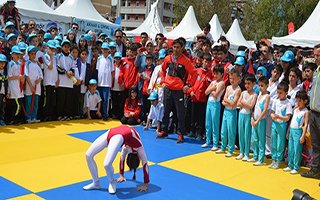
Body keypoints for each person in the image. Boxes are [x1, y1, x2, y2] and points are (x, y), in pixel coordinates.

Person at [83, 125, 149, 193]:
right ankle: (96, 183)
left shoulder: (125, 148)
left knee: (107, 164)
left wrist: (122, 175)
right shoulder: (139, 147)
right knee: (88, 155)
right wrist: (146, 185)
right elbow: (145, 164)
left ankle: (111, 182)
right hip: (112, 132)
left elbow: (122, 159)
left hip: (116, 134)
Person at [160, 38, 197, 143]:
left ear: (182, 48)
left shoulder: (186, 60)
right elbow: (162, 70)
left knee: (180, 113)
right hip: (168, 88)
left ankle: (180, 134)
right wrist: (163, 81)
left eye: (178, 47)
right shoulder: (167, 58)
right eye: (174, 47)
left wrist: (188, 85)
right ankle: (164, 130)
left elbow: (194, 73)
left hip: (179, 90)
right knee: (166, 110)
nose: (175, 49)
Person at [301, 44, 320, 179]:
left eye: (318, 55)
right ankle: (315, 169)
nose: (316, 57)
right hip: (313, 112)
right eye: (315, 55)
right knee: (315, 144)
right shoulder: (317, 70)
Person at [216, 69, 241, 156]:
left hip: (232, 112)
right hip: (226, 110)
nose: (232, 80)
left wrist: (227, 101)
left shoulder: (238, 90)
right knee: (224, 130)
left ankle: (230, 149)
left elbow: (234, 103)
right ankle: (223, 147)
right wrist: (228, 102)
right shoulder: (228, 87)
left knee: (231, 131)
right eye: (230, 78)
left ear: (238, 79)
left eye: (234, 78)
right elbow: (223, 100)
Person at [188, 53, 212, 140]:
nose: (206, 63)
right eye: (205, 61)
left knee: (201, 117)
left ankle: (200, 133)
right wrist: (190, 91)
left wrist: (206, 81)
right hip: (194, 96)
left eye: (208, 62)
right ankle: (192, 131)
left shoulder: (210, 74)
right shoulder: (197, 71)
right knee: (193, 115)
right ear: (202, 62)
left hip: (203, 99)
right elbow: (191, 83)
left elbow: (210, 85)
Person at [284, 91, 309, 174]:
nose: (297, 103)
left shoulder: (306, 111)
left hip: (298, 132)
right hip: (292, 130)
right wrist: (289, 132)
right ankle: (290, 165)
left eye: (300, 101)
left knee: (297, 149)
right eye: (297, 100)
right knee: (290, 148)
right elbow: (292, 121)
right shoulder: (295, 110)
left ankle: (296, 166)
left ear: (305, 101)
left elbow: (305, 125)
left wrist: (303, 135)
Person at [269, 81, 292, 169]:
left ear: (286, 93)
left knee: (280, 143)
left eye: (281, 93)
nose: (279, 95)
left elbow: (287, 117)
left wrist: (280, 117)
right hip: (275, 124)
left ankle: (278, 159)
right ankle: (273, 159)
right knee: (273, 142)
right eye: (278, 93)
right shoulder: (276, 101)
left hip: (282, 125)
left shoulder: (288, 103)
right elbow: (272, 112)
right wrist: (273, 116)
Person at [202, 65, 225, 150]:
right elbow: (206, 92)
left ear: (222, 74)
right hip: (209, 103)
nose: (215, 75)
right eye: (214, 73)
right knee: (208, 123)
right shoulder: (213, 82)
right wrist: (212, 88)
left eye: (217, 73)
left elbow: (216, 95)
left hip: (215, 104)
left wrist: (211, 90)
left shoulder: (222, 83)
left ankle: (215, 143)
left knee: (215, 123)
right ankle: (208, 141)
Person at [236, 74, 257, 161]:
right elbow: (237, 103)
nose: (247, 85)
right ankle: (241, 152)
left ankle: (247, 153)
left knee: (247, 134)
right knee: (241, 133)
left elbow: (251, 106)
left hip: (248, 115)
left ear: (253, 84)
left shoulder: (254, 94)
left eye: (249, 83)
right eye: (246, 84)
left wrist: (243, 103)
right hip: (241, 114)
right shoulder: (243, 92)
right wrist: (245, 104)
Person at [250, 76, 270, 166]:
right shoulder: (259, 95)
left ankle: (261, 159)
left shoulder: (267, 96)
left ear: (267, 86)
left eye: (262, 86)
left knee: (261, 140)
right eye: (259, 86)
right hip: (255, 120)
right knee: (255, 139)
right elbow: (255, 108)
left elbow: (265, 110)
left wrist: (257, 120)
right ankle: (255, 156)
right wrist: (252, 117)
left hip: (261, 121)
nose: (260, 88)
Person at [24, 46, 43, 123]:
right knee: (28, 102)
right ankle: (28, 117)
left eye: (34, 54)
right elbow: (26, 75)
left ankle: (34, 117)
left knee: (35, 102)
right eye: (32, 54)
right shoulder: (27, 63)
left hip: (37, 86)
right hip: (30, 85)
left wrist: (39, 80)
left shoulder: (36, 64)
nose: (33, 55)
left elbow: (41, 75)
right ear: (28, 55)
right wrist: (31, 86)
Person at [96, 42, 114, 120]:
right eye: (104, 49)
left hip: (107, 83)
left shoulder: (110, 59)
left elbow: (112, 71)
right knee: (100, 99)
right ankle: (99, 113)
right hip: (100, 82)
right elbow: (97, 70)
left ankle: (105, 114)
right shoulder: (99, 58)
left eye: (106, 49)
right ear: (102, 50)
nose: (105, 51)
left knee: (106, 100)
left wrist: (112, 81)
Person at [7, 45, 24, 125]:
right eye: (16, 53)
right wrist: (18, 77)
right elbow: (9, 77)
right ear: (12, 54)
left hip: (19, 86)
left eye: (19, 54)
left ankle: (15, 119)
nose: (18, 55)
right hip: (13, 87)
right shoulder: (11, 64)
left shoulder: (20, 63)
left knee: (19, 104)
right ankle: (12, 119)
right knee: (16, 104)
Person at [42, 40, 58, 121]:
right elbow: (50, 67)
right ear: (47, 48)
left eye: (53, 49)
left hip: (53, 82)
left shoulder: (55, 57)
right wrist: (51, 56)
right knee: (47, 100)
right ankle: (45, 115)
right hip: (47, 81)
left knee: (52, 100)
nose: (52, 50)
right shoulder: (45, 56)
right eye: (51, 48)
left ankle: (50, 115)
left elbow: (55, 69)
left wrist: (57, 80)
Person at [111, 52, 125, 119]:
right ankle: (114, 114)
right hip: (113, 87)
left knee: (120, 102)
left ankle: (119, 115)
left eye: (119, 58)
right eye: (116, 58)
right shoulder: (112, 66)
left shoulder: (123, 67)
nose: (117, 60)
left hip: (120, 87)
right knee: (114, 102)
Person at [0, 54, 8, 126]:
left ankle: (1, 120)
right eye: (1, 63)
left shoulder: (5, 72)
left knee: (2, 107)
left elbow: (6, 83)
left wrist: (7, 92)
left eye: (4, 63)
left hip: (3, 92)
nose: (3, 65)